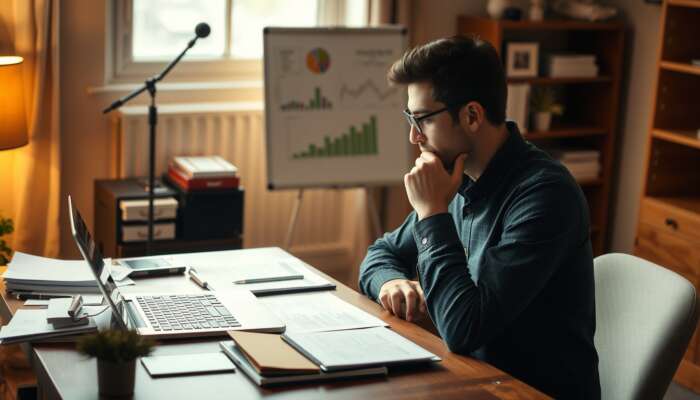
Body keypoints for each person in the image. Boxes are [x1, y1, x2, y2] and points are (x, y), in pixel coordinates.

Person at [358, 36, 600, 399]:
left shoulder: (546, 196)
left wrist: (432, 213)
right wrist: (391, 283)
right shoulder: (460, 177)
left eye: (422, 119)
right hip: (473, 379)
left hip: (529, 393)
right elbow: (380, 254)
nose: (413, 136)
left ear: (472, 115)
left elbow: (463, 329)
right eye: (411, 118)